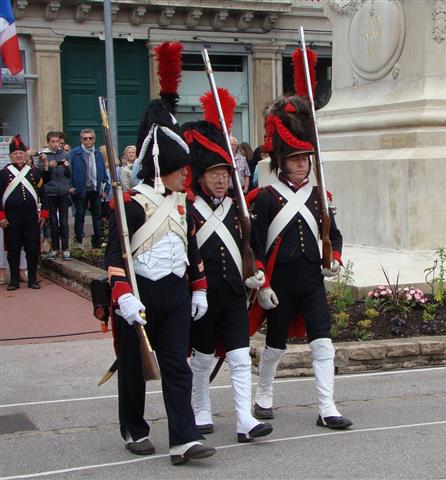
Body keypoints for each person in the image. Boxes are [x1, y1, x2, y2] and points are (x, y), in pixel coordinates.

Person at [105, 40, 215, 466]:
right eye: (180, 169)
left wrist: (198, 288)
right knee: (133, 368)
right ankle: (134, 428)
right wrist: (123, 297)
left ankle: (183, 439)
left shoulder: (183, 204)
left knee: (176, 367)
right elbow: (115, 256)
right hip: (138, 295)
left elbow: (191, 249)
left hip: (174, 294)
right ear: (161, 169)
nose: (186, 175)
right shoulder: (131, 204)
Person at [249, 95, 352, 430]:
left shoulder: (319, 198)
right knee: (275, 345)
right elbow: (256, 247)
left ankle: (327, 407)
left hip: (311, 280)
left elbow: (334, 236)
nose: (302, 165)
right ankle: (264, 394)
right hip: (279, 283)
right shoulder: (266, 198)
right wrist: (263, 284)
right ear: (282, 162)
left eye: (305, 159)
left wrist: (334, 259)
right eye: (295, 159)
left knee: (323, 342)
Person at [182, 89, 273, 443]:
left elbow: (252, 247)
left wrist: (256, 272)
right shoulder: (189, 210)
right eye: (214, 174)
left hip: (234, 293)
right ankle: (201, 408)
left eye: (225, 173)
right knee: (203, 357)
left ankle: (244, 419)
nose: (221, 180)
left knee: (239, 356)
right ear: (200, 177)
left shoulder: (238, 209)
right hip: (203, 296)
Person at [0, 135, 50, 290]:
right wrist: (1, 216)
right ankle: (14, 280)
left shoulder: (34, 172)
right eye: (15, 153)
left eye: (21, 153)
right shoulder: (3, 173)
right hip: (12, 217)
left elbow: (43, 194)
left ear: (25, 155)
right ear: (10, 156)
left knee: (32, 248)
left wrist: (44, 213)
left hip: (31, 217)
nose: (18, 156)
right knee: (13, 249)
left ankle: (32, 279)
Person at [69, 129, 110, 248]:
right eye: (85, 138)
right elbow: (69, 171)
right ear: (81, 140)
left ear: (94, 139)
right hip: (80, 189)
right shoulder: (75, 153)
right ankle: (79, 241)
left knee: (97, 216)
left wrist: (105, 189)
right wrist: (70, 187)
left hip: (95, 189)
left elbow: (103, 173)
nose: (88, 140)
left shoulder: (98, 154)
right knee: (80, 215)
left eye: (90, 138)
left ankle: (98, 240)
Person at [41, 131, 72, 260]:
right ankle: (54, 248)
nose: (55, 144)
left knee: (64, 221)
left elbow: (69, 175)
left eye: (57, 141)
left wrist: (67, 167)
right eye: (52, 142)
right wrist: (47, 166)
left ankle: (65, 249)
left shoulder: (65, 154)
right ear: (48, 142)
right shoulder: (44, 156)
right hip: (50, 192)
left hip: (63, 191)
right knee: (53, 222)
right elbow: (43, 177)